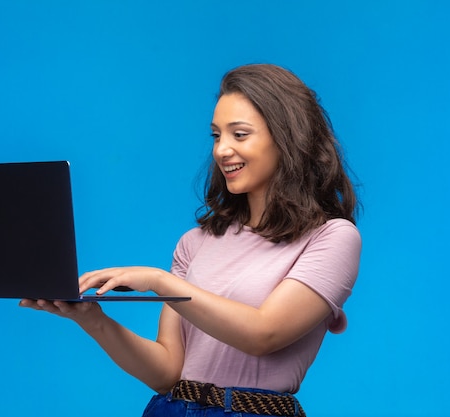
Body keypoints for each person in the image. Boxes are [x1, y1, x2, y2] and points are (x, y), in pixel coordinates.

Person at [20, 63, 362, 417]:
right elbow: (167, 373)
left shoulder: (332, 238)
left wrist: (159, 281)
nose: (221, 150)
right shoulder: (195, 242)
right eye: (216, 136)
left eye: (239, 135)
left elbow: (265, 333)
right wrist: (93, 319)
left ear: (288, 139)